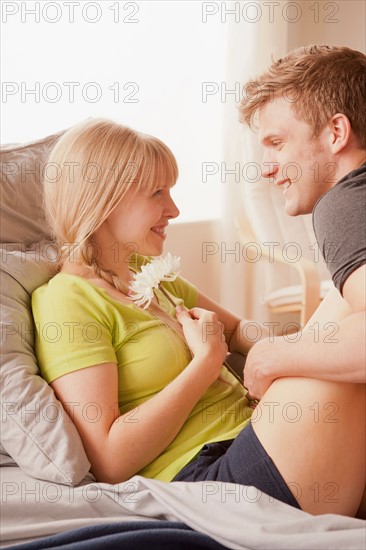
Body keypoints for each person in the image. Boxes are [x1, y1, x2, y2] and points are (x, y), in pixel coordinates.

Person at [31, 115, 364, 518]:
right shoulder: (68, 300)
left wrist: (285, 344)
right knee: (347, 319)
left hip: (259, 433)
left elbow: (240, 330)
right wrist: (205, 363)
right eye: (157, 193)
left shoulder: (151, 276)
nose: (173, 208)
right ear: (103, 201)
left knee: (343, 304)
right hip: (209, 480)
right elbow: (110, 459)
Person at [239, 44, 366, 517]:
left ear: (336, 132)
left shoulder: (345, 202)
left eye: (276, 143)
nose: (266, 167)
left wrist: (275, 354)